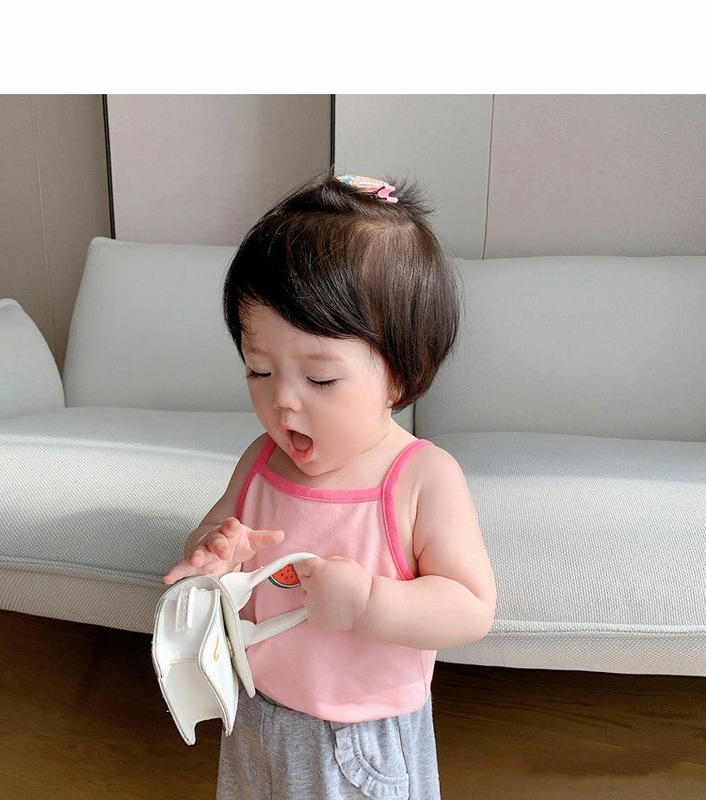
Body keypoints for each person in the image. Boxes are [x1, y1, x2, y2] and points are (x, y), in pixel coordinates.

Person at [163, 171, 496, 799]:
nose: (283, 401)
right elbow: (213, 531)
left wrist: (368, 604)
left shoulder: (420, 478)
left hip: (359, 736)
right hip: (256, 712)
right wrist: (213, 552)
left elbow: (469, 606)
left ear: (400, 376)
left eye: (319, 380)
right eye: (259, 370)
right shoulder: (261, 460)